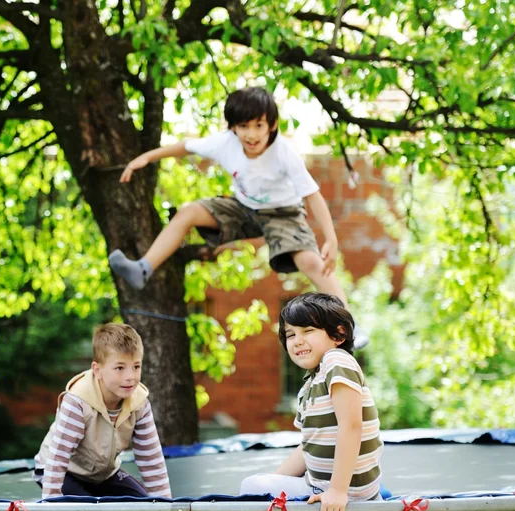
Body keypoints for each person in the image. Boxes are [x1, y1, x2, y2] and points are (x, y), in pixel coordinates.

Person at [109, 86, 368, 348]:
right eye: (244, 126)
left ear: (272, 125)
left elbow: (313, 195)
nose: (252, 134)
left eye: (259, 125)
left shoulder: (284, 153)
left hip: (283, 214)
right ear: (233, 127)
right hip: (243, 208)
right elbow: (183, 147)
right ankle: (143, 268)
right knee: (187, 212)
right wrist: (144, 159)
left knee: (311, 261)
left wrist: (331, 240)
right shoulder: (225, 143)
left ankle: (347, 328)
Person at [239, 293, 383, 511]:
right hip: (334, 487)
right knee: (262, 483)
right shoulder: (311, 382)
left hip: (343, 492)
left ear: (339, 334)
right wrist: (275, 479)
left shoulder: (337, 360)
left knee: (250, 486)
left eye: (308, 331)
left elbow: (352, 426)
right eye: (290, 334)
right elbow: (307, 447)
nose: (297, 341)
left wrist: (337, 491)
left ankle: (337, 489)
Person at [33, 323, 172, 499]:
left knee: (146, 503)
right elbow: (59, 456)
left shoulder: (139, 403)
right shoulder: (78, 401)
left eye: (136, 367)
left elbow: (151, 459)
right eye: (120, 368)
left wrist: (167, 507)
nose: (130, 377)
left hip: (103, 475)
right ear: (97, 370)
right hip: (62, 472)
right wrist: (51, 501)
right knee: (87, 508)